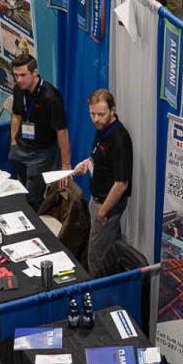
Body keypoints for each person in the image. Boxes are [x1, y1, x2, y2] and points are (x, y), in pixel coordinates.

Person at [71, 90, 134, 275]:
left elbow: (121, 183)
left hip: (106, 206)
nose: (96, 119)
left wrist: (102, 212)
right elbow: (101, 157)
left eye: (101, 114)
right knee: (111, 251)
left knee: (95, 257)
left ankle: (98, 296)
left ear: (112, 110)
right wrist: (87, 162)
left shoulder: (119, 139)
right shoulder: (102, 130)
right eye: (92, 114)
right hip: (97, 200)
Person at [9, 53, 71, 207]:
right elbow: (16, 115)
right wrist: (13, 141)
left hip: (41, 153)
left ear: (34, 72)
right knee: (21, 190)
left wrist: (65, 165)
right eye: (16, 75)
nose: (19, 80)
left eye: (23, 75)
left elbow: (62, 131)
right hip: (20, 147)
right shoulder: (18, 89)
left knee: (32, 198)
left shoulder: (51, 97)